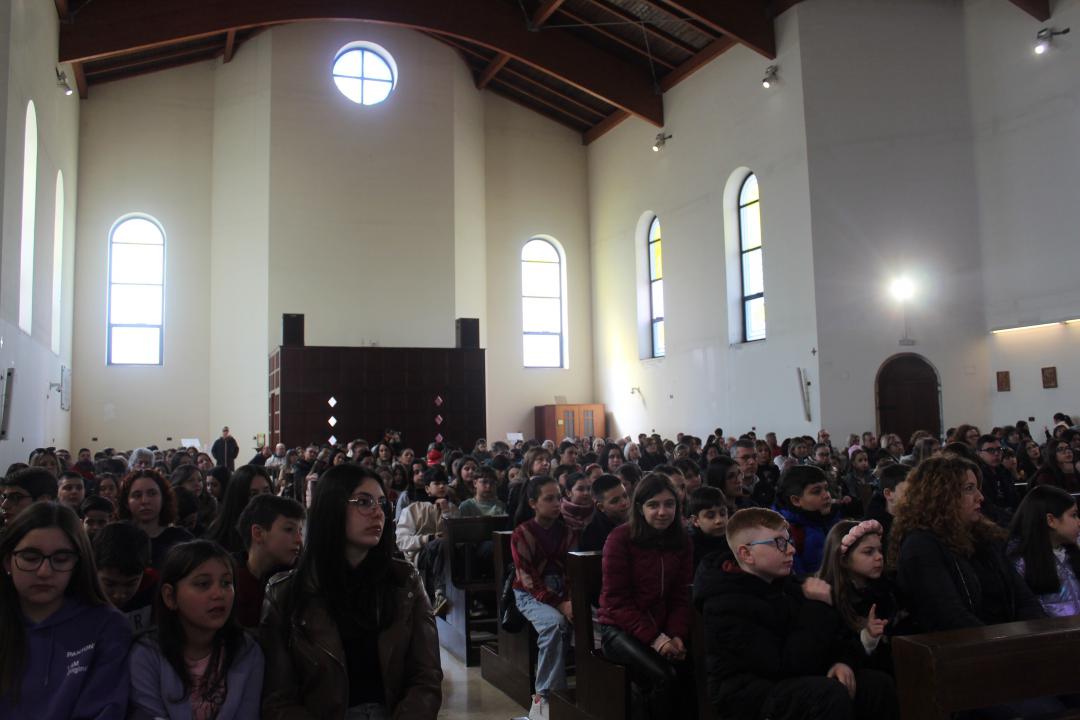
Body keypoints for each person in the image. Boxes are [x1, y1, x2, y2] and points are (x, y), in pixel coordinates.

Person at [260, 464, 442, 719]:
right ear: (332, 507)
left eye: (381, 503)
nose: (378, 512)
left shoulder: (404, 581)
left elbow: (426, 677)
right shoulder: (285, 592)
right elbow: (278, 699)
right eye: (364, 502)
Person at [694, 507, 897, 720]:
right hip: (749, 696)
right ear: (746, 554)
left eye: (789, 540)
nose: (791, 549)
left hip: (792, 679)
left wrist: (841, 661)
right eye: (779, 543)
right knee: (827, 695)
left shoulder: (788, 584)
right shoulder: (725, 603)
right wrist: (817, 607)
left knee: (877, 685)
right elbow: (783, 666)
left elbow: (835, 639)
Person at [0, 503, 132, 718]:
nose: (44, 572)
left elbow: (105, 709)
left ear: (77, 563)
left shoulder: (107, 626)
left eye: (61, 560)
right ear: (8, 561)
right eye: (30, 558)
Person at [892, 454, 1044, 631]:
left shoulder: (983, 536)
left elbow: (1023, 596)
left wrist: (1034, 632)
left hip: (1005, 638)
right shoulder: (920, 546)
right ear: (941, 496)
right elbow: (949, 616)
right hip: (964, 644)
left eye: (977, 488)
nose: (980, 497)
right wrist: (1001, 641)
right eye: (969, 488)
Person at [129, 540, 264, 719]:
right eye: (203, 584)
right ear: (170, 596)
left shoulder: (246, 651)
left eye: (226, 583)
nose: (219, 594)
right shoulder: (147, 654)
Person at [598, 475, 695, 719]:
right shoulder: (620, 538)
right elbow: (616, 602)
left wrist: (676, 634)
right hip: (619, 628)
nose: (662, 512)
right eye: (653, 505)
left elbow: (680, 595)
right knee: (664, 676)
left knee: (697, 666)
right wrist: (657, 640)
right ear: (640, 508)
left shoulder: (682, 540)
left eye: (669, 504)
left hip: (662, 625)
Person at [512, 475, 577, 719]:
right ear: (533, 503)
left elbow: (573, 571)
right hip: (530, 594)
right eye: (549, 499)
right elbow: (528, 579)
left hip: (564, 592)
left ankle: (592, 694)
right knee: (555, 625)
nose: (556, 503)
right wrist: (560, 605)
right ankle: (545, 700)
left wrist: (570, 600)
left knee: (595, 623)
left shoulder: (568, 532)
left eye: (558, 498)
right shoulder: (522, 533)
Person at [816, 520, 897, 673]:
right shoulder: (828, 597)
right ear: (844, 560)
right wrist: (868, 637)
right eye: (868, 552)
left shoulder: (884, 589)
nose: (879, 557)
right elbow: (834, 650)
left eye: (880, 550)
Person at [1008, 485, 1080, 617]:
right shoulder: (1021, 564)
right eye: (1073, 515)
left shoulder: (1072, 553)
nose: (1078, 522)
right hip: (1050, 629)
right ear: (1051, 520)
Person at [234, 494, 305, 628]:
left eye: (300, 531)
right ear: (258, 533)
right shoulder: (231, 583)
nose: (299, 540)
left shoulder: (300, 579)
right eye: (289, 529)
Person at [395, 465, 458, 615]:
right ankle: (440, 593)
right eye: (437, 483)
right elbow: (402, 542)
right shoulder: (412, 509)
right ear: (427, 488)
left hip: (446, 552)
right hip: (419, 555)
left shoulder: (451, 508)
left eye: (444, 483)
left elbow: (457, 534)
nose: (442, 486)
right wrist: (428, 538)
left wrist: (446, 512)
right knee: (439, 544)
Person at [119, 469, 194, 570]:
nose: (145, 501)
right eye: (137, 495)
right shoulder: (118, 538)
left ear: (163, 498)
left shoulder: (182, 539)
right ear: (126, 503)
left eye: (152, 493)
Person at [773, 465, 841, 575]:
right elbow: (797, 577)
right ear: (796, 500)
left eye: (826, 488)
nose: (827, 496)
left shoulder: (831, 518)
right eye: (816, 491)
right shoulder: (785, 532)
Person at [93, 521, 158, 631]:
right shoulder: (81, 597)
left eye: (130, 584)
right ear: (93, 569)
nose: (119, 595)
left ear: (145, 571)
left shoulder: (156, 590)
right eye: (109, 584)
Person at [205, 465, 274, 554]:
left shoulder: (277, 525)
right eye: (253, 494)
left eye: (266, 491)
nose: (262, 498)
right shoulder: (223, 535)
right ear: (239, 497)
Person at [862, 464, 909, 558]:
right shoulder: (873, 530)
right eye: (908, 492)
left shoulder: (917, 518)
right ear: (888, 494)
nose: (916, 497)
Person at [580, 474, 630, 552]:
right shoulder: (591, 534)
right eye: (615, 501)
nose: (624, 503)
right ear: (601, 507)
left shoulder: (638, 521)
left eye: (625, 496)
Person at [688, 486, 730, 573]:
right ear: (695, 520)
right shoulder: (690, 547)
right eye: (710, 516)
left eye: (723, 513)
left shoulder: (734, 540)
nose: (719, 520)